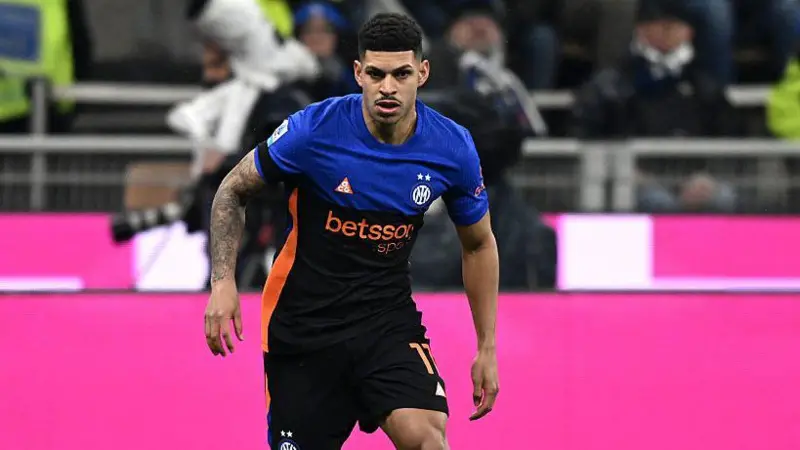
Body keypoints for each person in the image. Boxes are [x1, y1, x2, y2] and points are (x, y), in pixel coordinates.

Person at [203, 12, 500, 450]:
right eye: (376, 74)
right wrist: (222, 281)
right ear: (359, 73)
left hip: (385, 323)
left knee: (427, 439)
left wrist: (487, 347)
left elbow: (478, 244)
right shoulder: (313, 131)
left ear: (422, 73)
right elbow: (232, 190)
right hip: (303, 328)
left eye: (401, 74)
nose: (388, 87)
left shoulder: (452, 148)